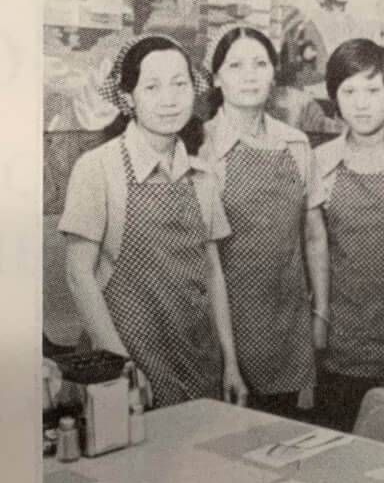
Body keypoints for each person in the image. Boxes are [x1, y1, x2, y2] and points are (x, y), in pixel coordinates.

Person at [61, 34, 246, 409]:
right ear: (128, 97)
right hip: (127, 358)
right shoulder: (98, 169)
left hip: (199, 358)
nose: (169, 99)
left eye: (180, 84)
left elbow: (212, 274)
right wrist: (120, 368)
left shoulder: (203, 175)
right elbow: (79, 276)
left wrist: (231, 364)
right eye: (152, 86)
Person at [202, 26, 328, 417]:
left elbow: (313, 235)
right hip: (222, 329)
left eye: (259, 64)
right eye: (235, 65)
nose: (249, 75)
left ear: (274, 74)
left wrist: (320, 312)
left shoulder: (296, 143)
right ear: (216, 78)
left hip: (288, 328)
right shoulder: (199, 146)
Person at [312, 39, 384, 431]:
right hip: (340, 335)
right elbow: (314, 251)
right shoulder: (319, 162)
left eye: (373, 90)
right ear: (334, 98)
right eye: (349, 91)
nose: (361, 104)